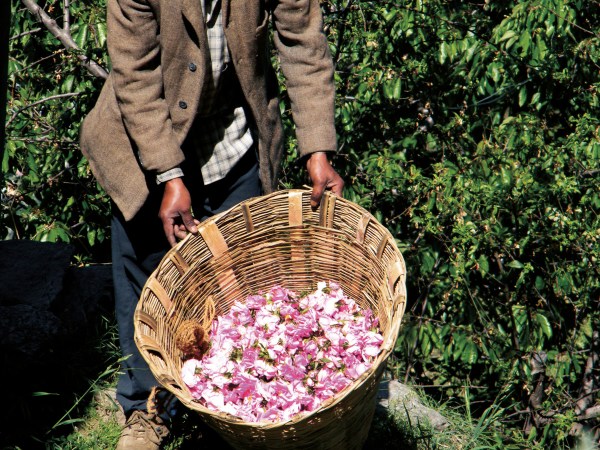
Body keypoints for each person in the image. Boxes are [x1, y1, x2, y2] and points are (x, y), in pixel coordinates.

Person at [79, 0, 344, 448]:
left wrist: (317, 149)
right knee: (147, 280)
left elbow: (303, 43)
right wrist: (169, 174)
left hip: (231, 140)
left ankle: (230, 407)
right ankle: (147, 409)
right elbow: (135, 76)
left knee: (236, 290)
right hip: (146, 139)